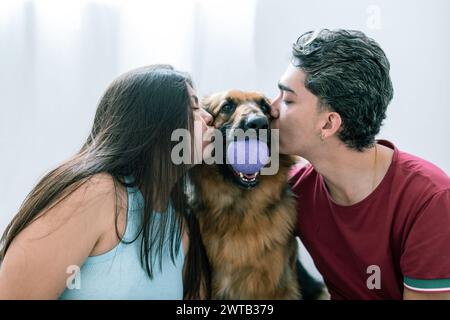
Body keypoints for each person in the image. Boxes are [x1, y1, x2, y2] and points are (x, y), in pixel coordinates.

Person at [0, 64, 213, 299]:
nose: (209, 117)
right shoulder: (94, 194)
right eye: (194, 107)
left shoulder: (181, 225)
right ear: (156, 123)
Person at [270, 29, 450, 300]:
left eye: (288, 99)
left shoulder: (431, 201)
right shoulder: (295, 189)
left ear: (329, 123)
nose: (272, 108)